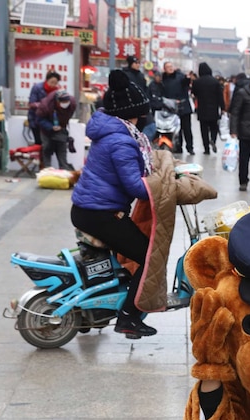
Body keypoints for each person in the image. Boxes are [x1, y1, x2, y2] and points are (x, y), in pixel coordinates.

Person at [70, 70, 156, 339]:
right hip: (100, 213)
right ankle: (128, 317)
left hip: (91, 210)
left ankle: (98, 309)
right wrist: (162, 185)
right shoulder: (121, 140)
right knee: (148, 256)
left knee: (127, 253)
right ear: (134, 113)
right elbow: (134, 185)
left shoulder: (110, 131)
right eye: (141, 113)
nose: (143, 119)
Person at [36, 89, 77, 170]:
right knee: (47, 148)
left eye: (66, 102)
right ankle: (47, 171)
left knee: (62, 150)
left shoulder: (72, 103)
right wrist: (51, 127)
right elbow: (39, 119)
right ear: (57, 102)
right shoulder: (45, 105)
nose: (65, 105)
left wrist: (62, 126)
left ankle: (64, 171)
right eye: (63, 103)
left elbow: (69, 115)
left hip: (61, 129)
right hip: (46, 130)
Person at [191, 62, 224, 155]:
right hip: (213, 109)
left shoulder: (197, 82)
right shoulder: (215, 81)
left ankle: (206, 149)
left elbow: (194, 93)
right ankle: (213, 139)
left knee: (204, 129)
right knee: (214, 127)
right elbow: (220, 96)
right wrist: (223, 108)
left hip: (202, 108)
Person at [161, 61, 193, 154]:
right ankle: (178, 147)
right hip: (171, 108)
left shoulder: (180, 76)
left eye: (171, 66)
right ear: (165, 69)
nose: (170, 68)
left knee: (187, 128)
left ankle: (190, 147)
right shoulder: (163, 79)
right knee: (175, 129)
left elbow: (185, 83)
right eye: (168, 67)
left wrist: (188, 78)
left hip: (183, 107)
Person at [28, 70, 60, 146]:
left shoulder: (56, 91)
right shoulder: (37, 88)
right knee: (39, 142)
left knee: (48, 145)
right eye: (52, 82)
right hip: (35, 119)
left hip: (48, 121)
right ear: (47, 80)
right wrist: (44, 105)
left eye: (55, 83)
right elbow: (32, 104)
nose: (53, 85)